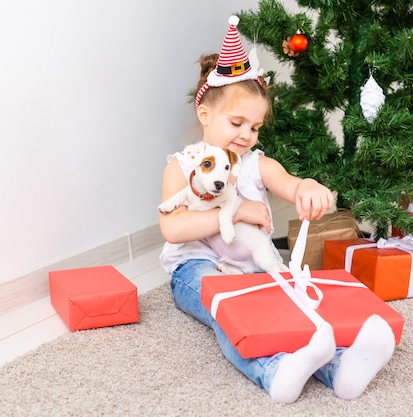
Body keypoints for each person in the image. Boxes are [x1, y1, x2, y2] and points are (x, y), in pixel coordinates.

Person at [158, 16, 395, 404]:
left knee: (289, 304)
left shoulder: (254, 163)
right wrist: (234, 212)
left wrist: (310, 188)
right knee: (231, 311)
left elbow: (291, 183)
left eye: (255, 127)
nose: (246, 135)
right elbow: (173, 230)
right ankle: (273, 371)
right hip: (196, 268)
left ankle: (341, 368)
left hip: (253, 266)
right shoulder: (181, 167)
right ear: (205, 115)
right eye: (237, 123)